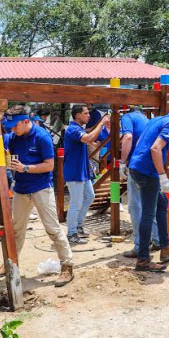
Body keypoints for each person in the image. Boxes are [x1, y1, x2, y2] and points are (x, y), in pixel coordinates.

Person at [0, 105, 74, 286]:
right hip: (21, 189)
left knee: (53, 228)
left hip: (41, 188)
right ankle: (10, 263)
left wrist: (25, 168)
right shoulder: (13, 137)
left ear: (26, 121)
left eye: (15, 125)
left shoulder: (42, 137)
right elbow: (11, 157)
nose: (12, 129)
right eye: (10, 126)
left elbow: (50, 165)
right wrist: (10, 164)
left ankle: (67, 267)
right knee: (16, 230)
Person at [128, 103, 169, 272]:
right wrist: (162, 176)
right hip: (147, 172)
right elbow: (155, 148)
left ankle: (165, 249)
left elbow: (144, 143)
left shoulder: (158, 120)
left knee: (162, 204)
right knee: (148, 214)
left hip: (137, 167)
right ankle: (143, 259)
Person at [64, 104, 109, 244]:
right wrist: (101, 123)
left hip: (83, 171)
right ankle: (71, 232)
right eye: (85, 113)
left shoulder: (78, 129)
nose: (89, 115)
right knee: (75, 203)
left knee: (89, 196)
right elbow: (88, 139)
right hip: (74, 171)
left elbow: (89, 139)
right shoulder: (72, 129)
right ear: (77, 115)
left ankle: (78, 226)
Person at [119, 106, 160, 259]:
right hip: (152, 166)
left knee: (135, 207)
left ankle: (138, 245)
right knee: (150, 206)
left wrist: (123, 162)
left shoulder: (127, 118)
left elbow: (128, 137)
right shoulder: (147, 120)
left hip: (137, 167)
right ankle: (156, 239)